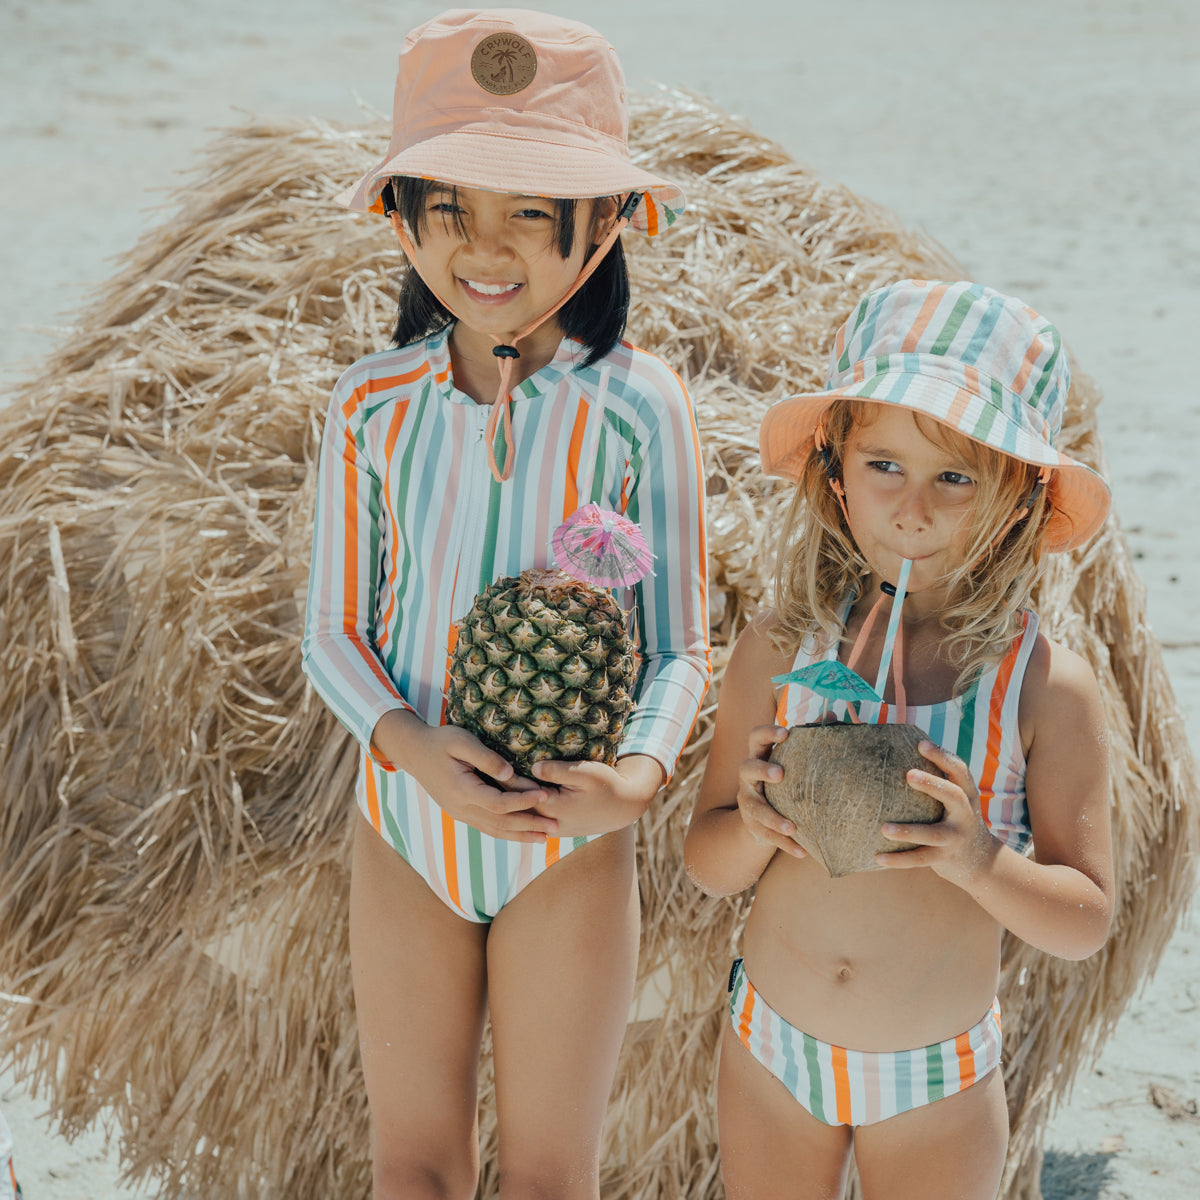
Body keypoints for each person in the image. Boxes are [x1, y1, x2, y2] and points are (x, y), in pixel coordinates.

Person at [301, 10, 709, 1198]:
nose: (485, 250)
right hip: (402, 825)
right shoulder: (369, 404)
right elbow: (334, 626)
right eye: (451, 211)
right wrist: (415, 752)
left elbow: (679, 644)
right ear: (402, 218)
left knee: (548, 1178)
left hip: (567, 848)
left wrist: (630, 782)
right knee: (412, 1169)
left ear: (610, 225)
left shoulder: (643, 404)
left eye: (530, 212)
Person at [684, 279, 1114, 1200]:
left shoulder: (1043, 688)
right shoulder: (781, 648)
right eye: (885, 467)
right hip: (771, 1046)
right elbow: (706, 860)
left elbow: (1085, 919)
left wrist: (976, 858)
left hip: (934, 1080)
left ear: (1015, 501)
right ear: (835, 473)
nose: (911, 509)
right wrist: (755, 823)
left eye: (954, 477)